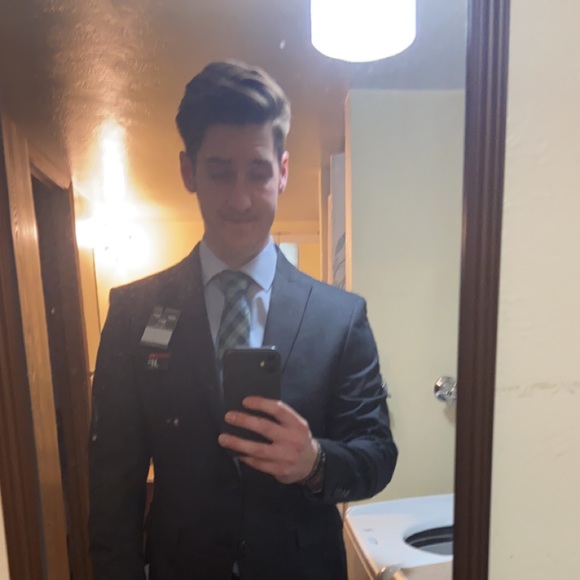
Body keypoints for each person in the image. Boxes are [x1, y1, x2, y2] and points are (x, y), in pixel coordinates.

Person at [88, 60, 398, 580]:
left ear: (282, 170)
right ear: (189, 171)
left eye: (257, 172)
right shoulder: (132, 314)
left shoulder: (340, 319)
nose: (240, 198)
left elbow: (378, 455)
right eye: (219, 171)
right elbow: (111, 487)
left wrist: (315, 462)